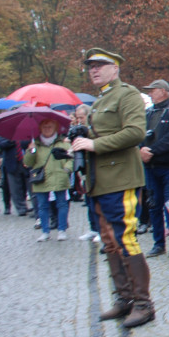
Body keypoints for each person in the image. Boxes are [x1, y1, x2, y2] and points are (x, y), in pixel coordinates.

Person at [71, 48, 156, 328]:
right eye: (90, 66)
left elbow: (135, 132)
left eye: (100, 65)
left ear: (115, 68)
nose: (93, 70)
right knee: (109, 242)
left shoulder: (127, 94)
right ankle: (125, 299)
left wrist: (95, 144)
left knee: (126, 239)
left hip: (121, 179)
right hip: (99, 181)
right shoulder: (100, 100)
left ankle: (143, 304)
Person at [140, 79, 169, 259]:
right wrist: (142, 149)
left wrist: (152, 150)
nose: (150, 93)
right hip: (150, 166)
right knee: (153, 205)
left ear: (164, 91)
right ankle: (158, 243)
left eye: (154, 90)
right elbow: (140, 134)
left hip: (168, 166)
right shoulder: (149, 112)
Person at [24, 119, 72, 242]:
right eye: (44, 127)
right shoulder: (36, 145)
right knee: (42, 206)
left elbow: (71, 158)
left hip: (59, 177)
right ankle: (45, 231)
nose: (47, 129)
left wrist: (66, 170)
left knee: (62, 204)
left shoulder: (63, 144)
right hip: (41, 179)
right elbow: (27, 163)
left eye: (50, 126)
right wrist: (31, 151)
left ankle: (61, 230)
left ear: (55, 128)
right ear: (40, 129)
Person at [71, 104, 101, 243]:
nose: (79, 120)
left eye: (81, 117)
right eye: (77, 118)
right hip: (86, 171)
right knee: (89, 202)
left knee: (97, 203)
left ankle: (101, 230)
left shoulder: (94, 129)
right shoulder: (80, 131)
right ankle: (93, 228)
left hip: (97, 170)